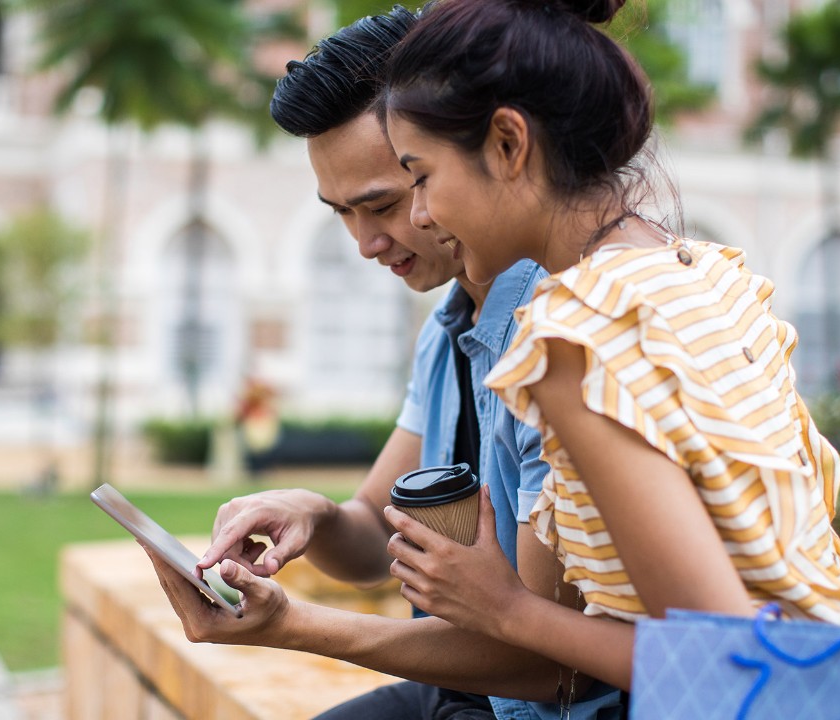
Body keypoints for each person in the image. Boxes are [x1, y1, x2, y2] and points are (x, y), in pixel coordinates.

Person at [379, 0, 840, 696]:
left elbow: (726, 665)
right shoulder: (704, 273)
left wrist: (504, 609)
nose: (420, 214)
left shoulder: (577, 335)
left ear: (508, 144)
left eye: (420, 175)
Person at [145, 6, 624, 719]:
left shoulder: (559, 343)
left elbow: (552, 661)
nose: (366, 242)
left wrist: (295, 626)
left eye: (392, 199)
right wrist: (310, 513)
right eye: (341, 212)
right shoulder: (448, 326)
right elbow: (374, 533)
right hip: (458, 691)